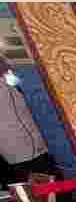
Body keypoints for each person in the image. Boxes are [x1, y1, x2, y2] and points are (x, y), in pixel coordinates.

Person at [0, 55, 56, 184]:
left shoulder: (9, 80)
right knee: (42, 187)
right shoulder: (7, 83)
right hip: (23, 147)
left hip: (23, 146)